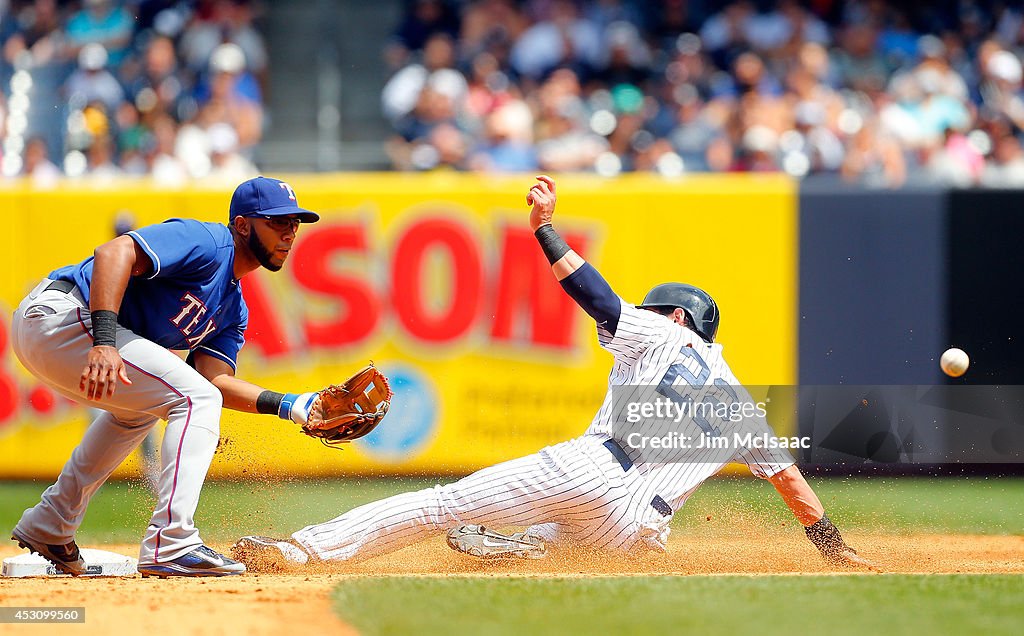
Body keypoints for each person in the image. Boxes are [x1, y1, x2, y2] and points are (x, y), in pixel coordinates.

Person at [232, 176, 876, 571]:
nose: (644, 316)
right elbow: (791, 483)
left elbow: (601, 301)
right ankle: (527, 546)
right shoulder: (737, 399)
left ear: (680, 317)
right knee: (566, 539)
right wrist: (830, 544)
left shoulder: (661, 333)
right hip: (638, 533)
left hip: (595, 473)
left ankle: (301, 551)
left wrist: (544, 232)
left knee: (438, 506)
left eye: (657, 310)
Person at [10, 176, 333, 578]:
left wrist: (289, 404)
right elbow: (114, 252)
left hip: (62, 335)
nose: (289, 233)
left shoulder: (232, 307)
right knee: (191, 398)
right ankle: (172, 542)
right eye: (277, 222)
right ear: (244, 224)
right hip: (62, 316)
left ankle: (50, 525)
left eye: (294, 224)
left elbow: (213, 381)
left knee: (142, 411)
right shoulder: (207, 242)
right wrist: (106, 342)